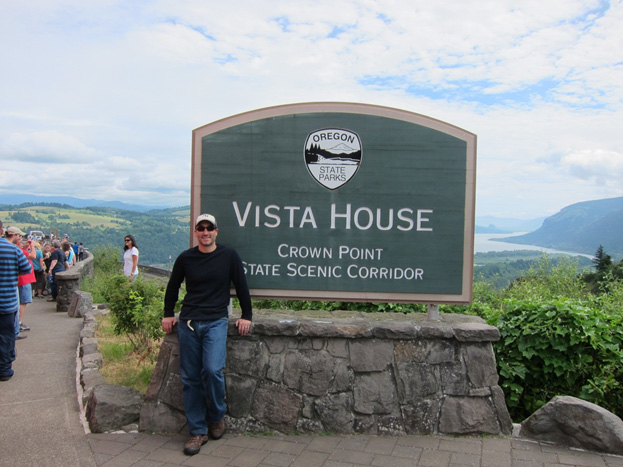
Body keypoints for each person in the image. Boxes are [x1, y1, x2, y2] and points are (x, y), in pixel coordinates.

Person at [161, 214, 252, 456]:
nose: (205, 232)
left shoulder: (228, 255)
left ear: (216, 231)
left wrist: (247, 315)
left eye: (209, 228)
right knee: (190, 378)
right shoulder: (185, 258)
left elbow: (241, 285)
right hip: (189, 322)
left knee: (212, 370)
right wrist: (168, 313)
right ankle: (198, 431)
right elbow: (172, 286)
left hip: (216, 321)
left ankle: (217, 415)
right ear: (195, 232)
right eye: (200, 228)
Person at [0, 220, 32, 382]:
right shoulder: (12, 250)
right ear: (1, 231)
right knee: (6, 335)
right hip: (6, 302)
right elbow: (26, 269)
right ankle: (4, 370)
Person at [6, 227, 36, 336]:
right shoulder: (14, 249)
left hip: (16, 282)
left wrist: (27, 247)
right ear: (14, 236)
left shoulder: (14, 249)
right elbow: (32, 257)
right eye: (20, 236)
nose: (21, 239)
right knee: (21, 303)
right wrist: (32, 246)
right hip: (22, 280)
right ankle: (17, 327)